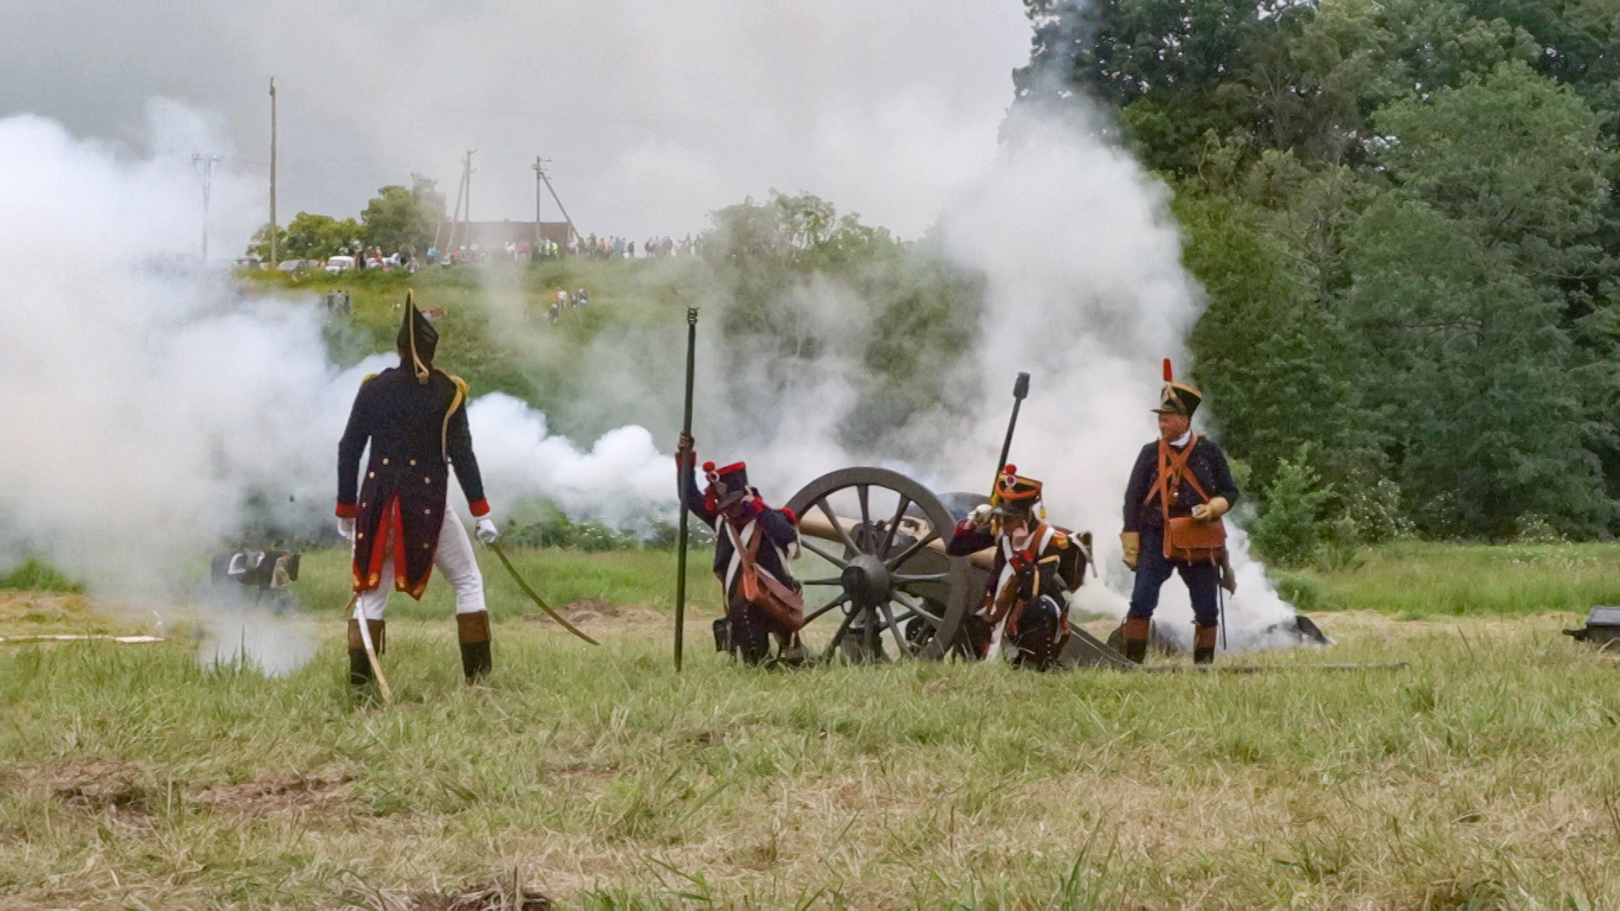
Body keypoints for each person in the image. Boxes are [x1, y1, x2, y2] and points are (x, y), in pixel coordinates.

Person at [336, 293, 500, 686]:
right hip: (426, 505)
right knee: (467, 582)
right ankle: (479, 683)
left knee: (371, 593)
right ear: (432, 349)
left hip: (376, 505)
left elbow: (349, 449)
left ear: (398, 348)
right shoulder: (449, 392)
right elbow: (463, 455)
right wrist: (481, 512)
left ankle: (361, 688)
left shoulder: (373, 389)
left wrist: (346, 510)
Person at [1119, 359, 1239, 665]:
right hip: (1155, 535)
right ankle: (1134, 664)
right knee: (1141, 602)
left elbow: (1229, 491)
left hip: (1198, 537)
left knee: (1207, 608)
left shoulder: (1208, 451)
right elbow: (1132, 499)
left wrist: (1214, 507)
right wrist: (1131, 543)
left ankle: (1203, 666)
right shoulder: (1150, 453)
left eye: (1168, 418)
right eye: (1161, 418)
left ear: (1185, 420)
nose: (1162, 424)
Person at [675, 433, 806, 666]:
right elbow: (689, 496)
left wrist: (760, 511)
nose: (731, 509)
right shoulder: (721, 521)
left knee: (786, 652)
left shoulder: (769, 517)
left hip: (776, 596)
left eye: (735, 503)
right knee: (746, 625)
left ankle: (789, 651)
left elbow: (787, 536)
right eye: (726, 504)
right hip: (743, 602)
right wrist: (686, 457)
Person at [947, 468, 1083, 669]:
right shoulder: (1002, 530)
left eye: (1009, 518)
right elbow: (956, 548)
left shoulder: (1051, 540)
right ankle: (975, 664)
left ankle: (1037, 663)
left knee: (1040, 608)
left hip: (1034, 607)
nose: (1003, 523)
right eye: (1000, 517)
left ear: (1026, 516)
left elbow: (1034, 588)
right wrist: (972, 521)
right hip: (999, 604)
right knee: (970, 623)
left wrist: (1021, 552)